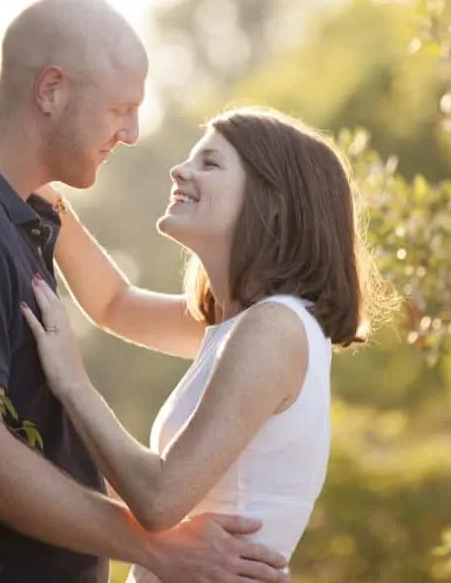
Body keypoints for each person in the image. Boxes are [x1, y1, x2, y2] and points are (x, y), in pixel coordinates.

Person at [0, 0, 290, 583]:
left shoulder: (2, 217)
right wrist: (156, 546)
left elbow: (117, 303)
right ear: (50, 90)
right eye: (120, 108)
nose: (134, 132)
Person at [23, 107, 383, 582]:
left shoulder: (272, 330)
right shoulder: (243, 325)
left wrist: (72, 382)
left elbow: (158, 500)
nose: (180, 170)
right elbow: (114, 303)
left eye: (210, 163)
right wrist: (46, 195)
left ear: (272, 201)